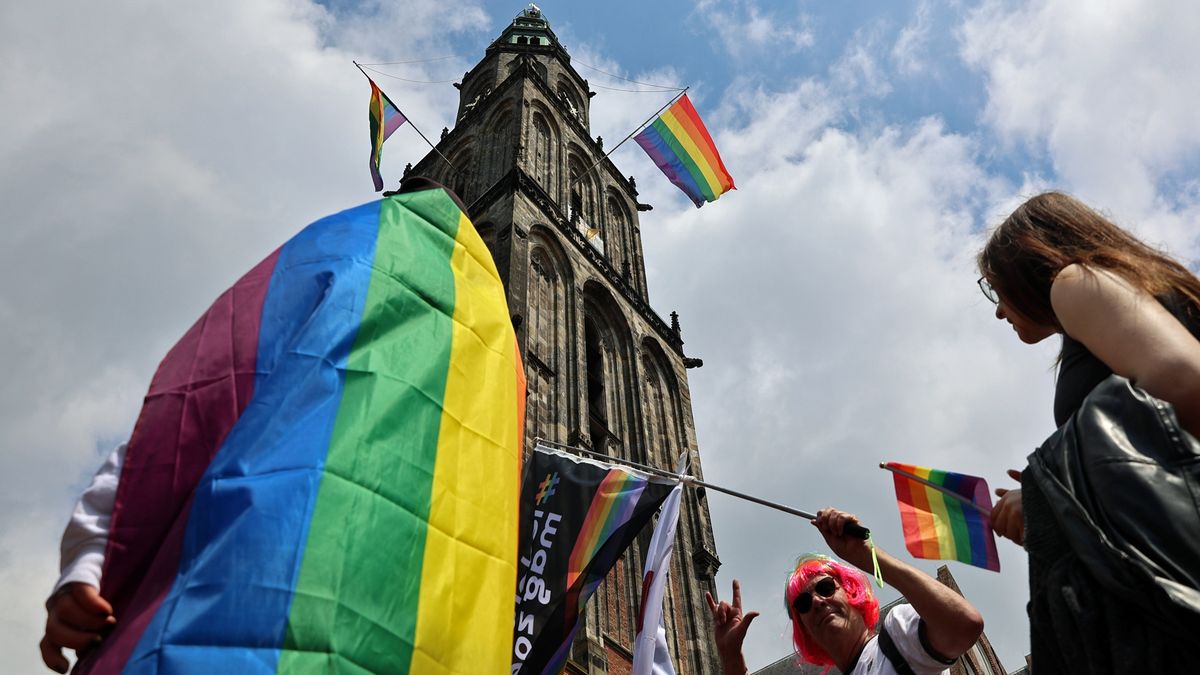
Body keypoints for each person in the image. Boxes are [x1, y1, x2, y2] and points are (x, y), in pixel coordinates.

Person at [977, 191, 1200, 672]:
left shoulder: (1071, 281)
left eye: (995, 288)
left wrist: (1044, 487)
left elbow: (1184, 382)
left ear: (1031, 261)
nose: (998, 311)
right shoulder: (1132, 290)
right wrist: (1060, 503)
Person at [706, 508, 983, 675]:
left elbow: (964, 625)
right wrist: (731, 659)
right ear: (804, 629)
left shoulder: (898, 635)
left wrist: (868, 556)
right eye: (802, 603)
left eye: (826, 587)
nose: (816, 601)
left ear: (852, 592)